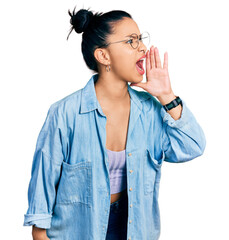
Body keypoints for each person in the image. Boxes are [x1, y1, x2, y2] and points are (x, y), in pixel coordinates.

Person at [23, 6, 206, 240]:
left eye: (141, 39)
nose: (142, 47)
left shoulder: (150, 110)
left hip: (134, 228)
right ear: (103, 56)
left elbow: (192, 146)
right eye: (131, 41)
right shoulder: (64, 114)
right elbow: (42, 196)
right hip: (79, 230)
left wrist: (167, 96)